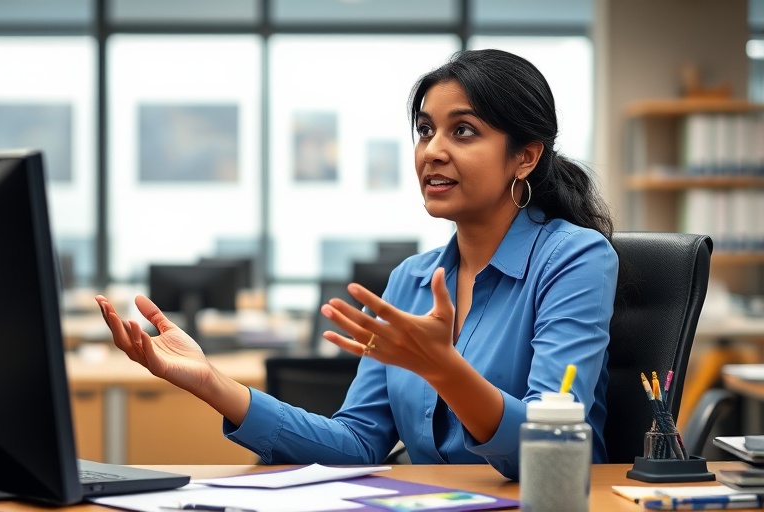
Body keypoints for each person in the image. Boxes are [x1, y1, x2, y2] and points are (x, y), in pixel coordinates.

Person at [95, 48, 618, 480]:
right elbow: (358, 443)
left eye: (463, 131)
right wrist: (210, 381)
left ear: (525, 156)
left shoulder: (574, 258)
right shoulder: (411, 280)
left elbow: (552, 448)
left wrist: (444, 369)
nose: (431, 151)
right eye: (425, 130)